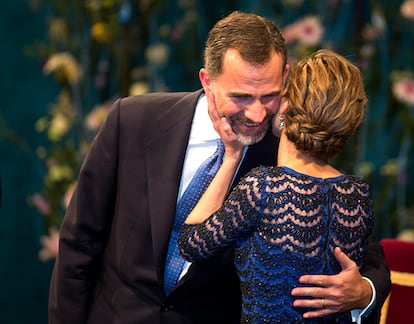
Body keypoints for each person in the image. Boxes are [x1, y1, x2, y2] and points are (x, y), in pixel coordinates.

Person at [48, 11, 390, 324]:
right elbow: (80, 243)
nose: (257, 114)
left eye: (269, 95)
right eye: (241, 96)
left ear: (286, 79)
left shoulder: (292, 154)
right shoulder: (133, 120)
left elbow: (366, 257)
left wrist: (364, 292)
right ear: (207, 80)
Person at [178, 49, 375, 323]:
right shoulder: (358, 195)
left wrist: (230, 158)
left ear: (286, 105)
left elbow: (190, 244)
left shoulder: (264, 186)